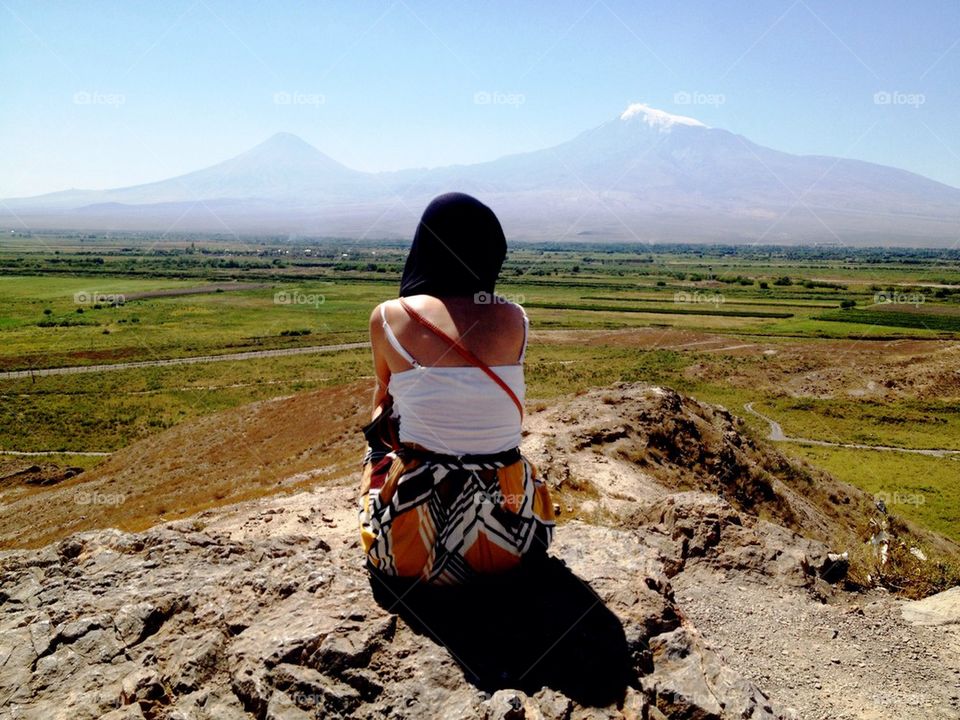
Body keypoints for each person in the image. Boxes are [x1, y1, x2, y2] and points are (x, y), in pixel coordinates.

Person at [358, 192, 555, 585]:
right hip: (517, 541)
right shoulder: (516, 319)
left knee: (377, 438)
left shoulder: (388, 317)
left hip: (408, 550)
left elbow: (383, 401)